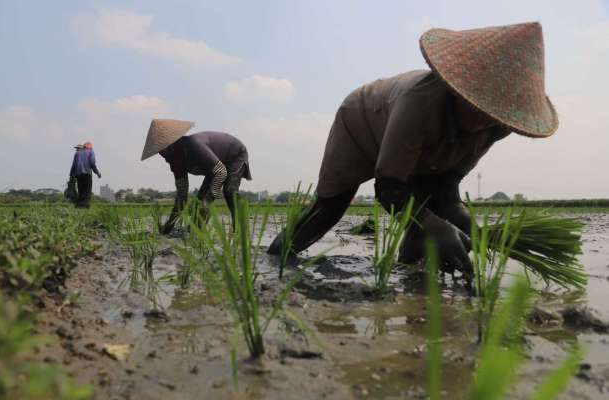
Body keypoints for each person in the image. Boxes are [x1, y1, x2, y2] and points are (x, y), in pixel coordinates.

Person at [268, 22, 558, 274]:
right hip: (362, 121)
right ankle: (273, 260)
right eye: (481, 108)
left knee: (431, 212)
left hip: (420, 143)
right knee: (330, 208)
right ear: (460, 92)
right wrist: (433, 225)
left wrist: (459, 218)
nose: (485, 121)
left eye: (495, 115)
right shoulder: (419, 102)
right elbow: (389, 188)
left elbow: (446, 185)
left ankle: (409, 275)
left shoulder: (496, 127)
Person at [141, 119, 252, 234]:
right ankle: (195, 232)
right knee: (199, 202)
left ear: (173, 141)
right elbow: (181, 196)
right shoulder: (175, 162)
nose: (163, 153)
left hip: (234, 154)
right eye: (159, 150)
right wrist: (169, 226)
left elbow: (221, 172)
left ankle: (241, 231)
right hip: (214, 167)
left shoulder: (194, 145)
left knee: (229, 191)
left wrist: (210, 197)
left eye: (164, 147)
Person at [69, 141, 101, 208]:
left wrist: (71, 175)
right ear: (90, 147)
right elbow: (92, 163)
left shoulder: (77, 153)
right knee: (87, 191)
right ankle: (84, 206)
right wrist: (97, 172)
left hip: (78, 175)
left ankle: (79, 206)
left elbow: (73, 165)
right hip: (87, 174)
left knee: (80, 190)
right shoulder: (91, 152)